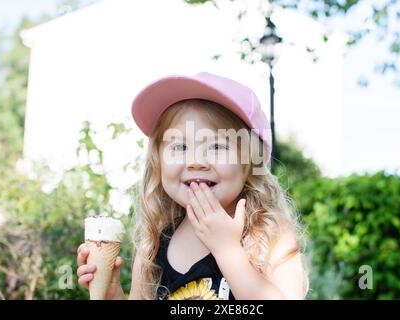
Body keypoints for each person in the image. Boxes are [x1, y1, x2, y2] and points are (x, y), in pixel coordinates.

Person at [76, 72, 308, 300]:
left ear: (249, 161)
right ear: (158, 162)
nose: (196, 161)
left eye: (217, 147)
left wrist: (228, 251)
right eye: (180, 147)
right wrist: (112, 295)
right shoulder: (154, 248)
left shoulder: (270, 233)